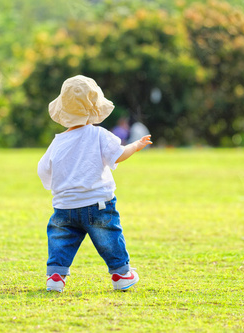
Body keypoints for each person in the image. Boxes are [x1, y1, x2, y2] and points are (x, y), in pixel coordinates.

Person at [37, 75, 152, 292]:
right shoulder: (99, 134)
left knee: (61, 240)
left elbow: (43, 168)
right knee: (109, 236)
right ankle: (121, 274)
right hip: (98, 204)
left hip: (64, 206)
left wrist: (52, 184)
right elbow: (118, 154)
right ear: (94, 109)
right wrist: (135, 146)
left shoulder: (58, 142)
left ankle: (55, 276)